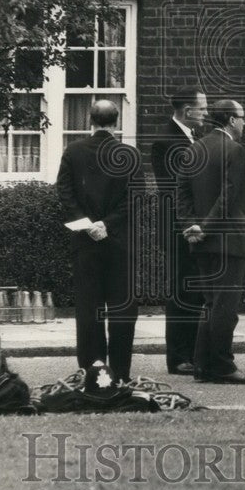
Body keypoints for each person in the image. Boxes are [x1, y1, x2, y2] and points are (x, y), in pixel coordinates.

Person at [56, 99, 145, 384]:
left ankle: (93, 371)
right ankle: (120, 373)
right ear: (116, 122)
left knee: (89, 309)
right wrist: (108, 224)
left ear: (89, 121)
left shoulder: (73, 152)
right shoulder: (129, 155)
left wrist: (89, 225)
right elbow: (136, 198)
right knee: (122, 310)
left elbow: (65, 194)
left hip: (85, 243)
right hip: (121, 243)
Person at [177, 99, 245, 384]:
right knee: (225, 307)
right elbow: (229, 196)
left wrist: (192, 226)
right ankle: (222, 366)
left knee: (211, 303)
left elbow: (183, 193)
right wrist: (207, 226)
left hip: (201, 241)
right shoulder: (234, 150)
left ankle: (203, 365)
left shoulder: (194, 148)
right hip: (228, 240)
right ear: (231, 120)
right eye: (243, 117)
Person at [151, 87, 209, 375]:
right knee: (181, 292)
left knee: (193, 290)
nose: (207, 113)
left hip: (189, 226)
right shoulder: (166, 141)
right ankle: (177, 357)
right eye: (203, 108)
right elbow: (174, 190)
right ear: (188, 111)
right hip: (179, 228)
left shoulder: (190, 138)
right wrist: (190, 224)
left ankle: (191, 352)